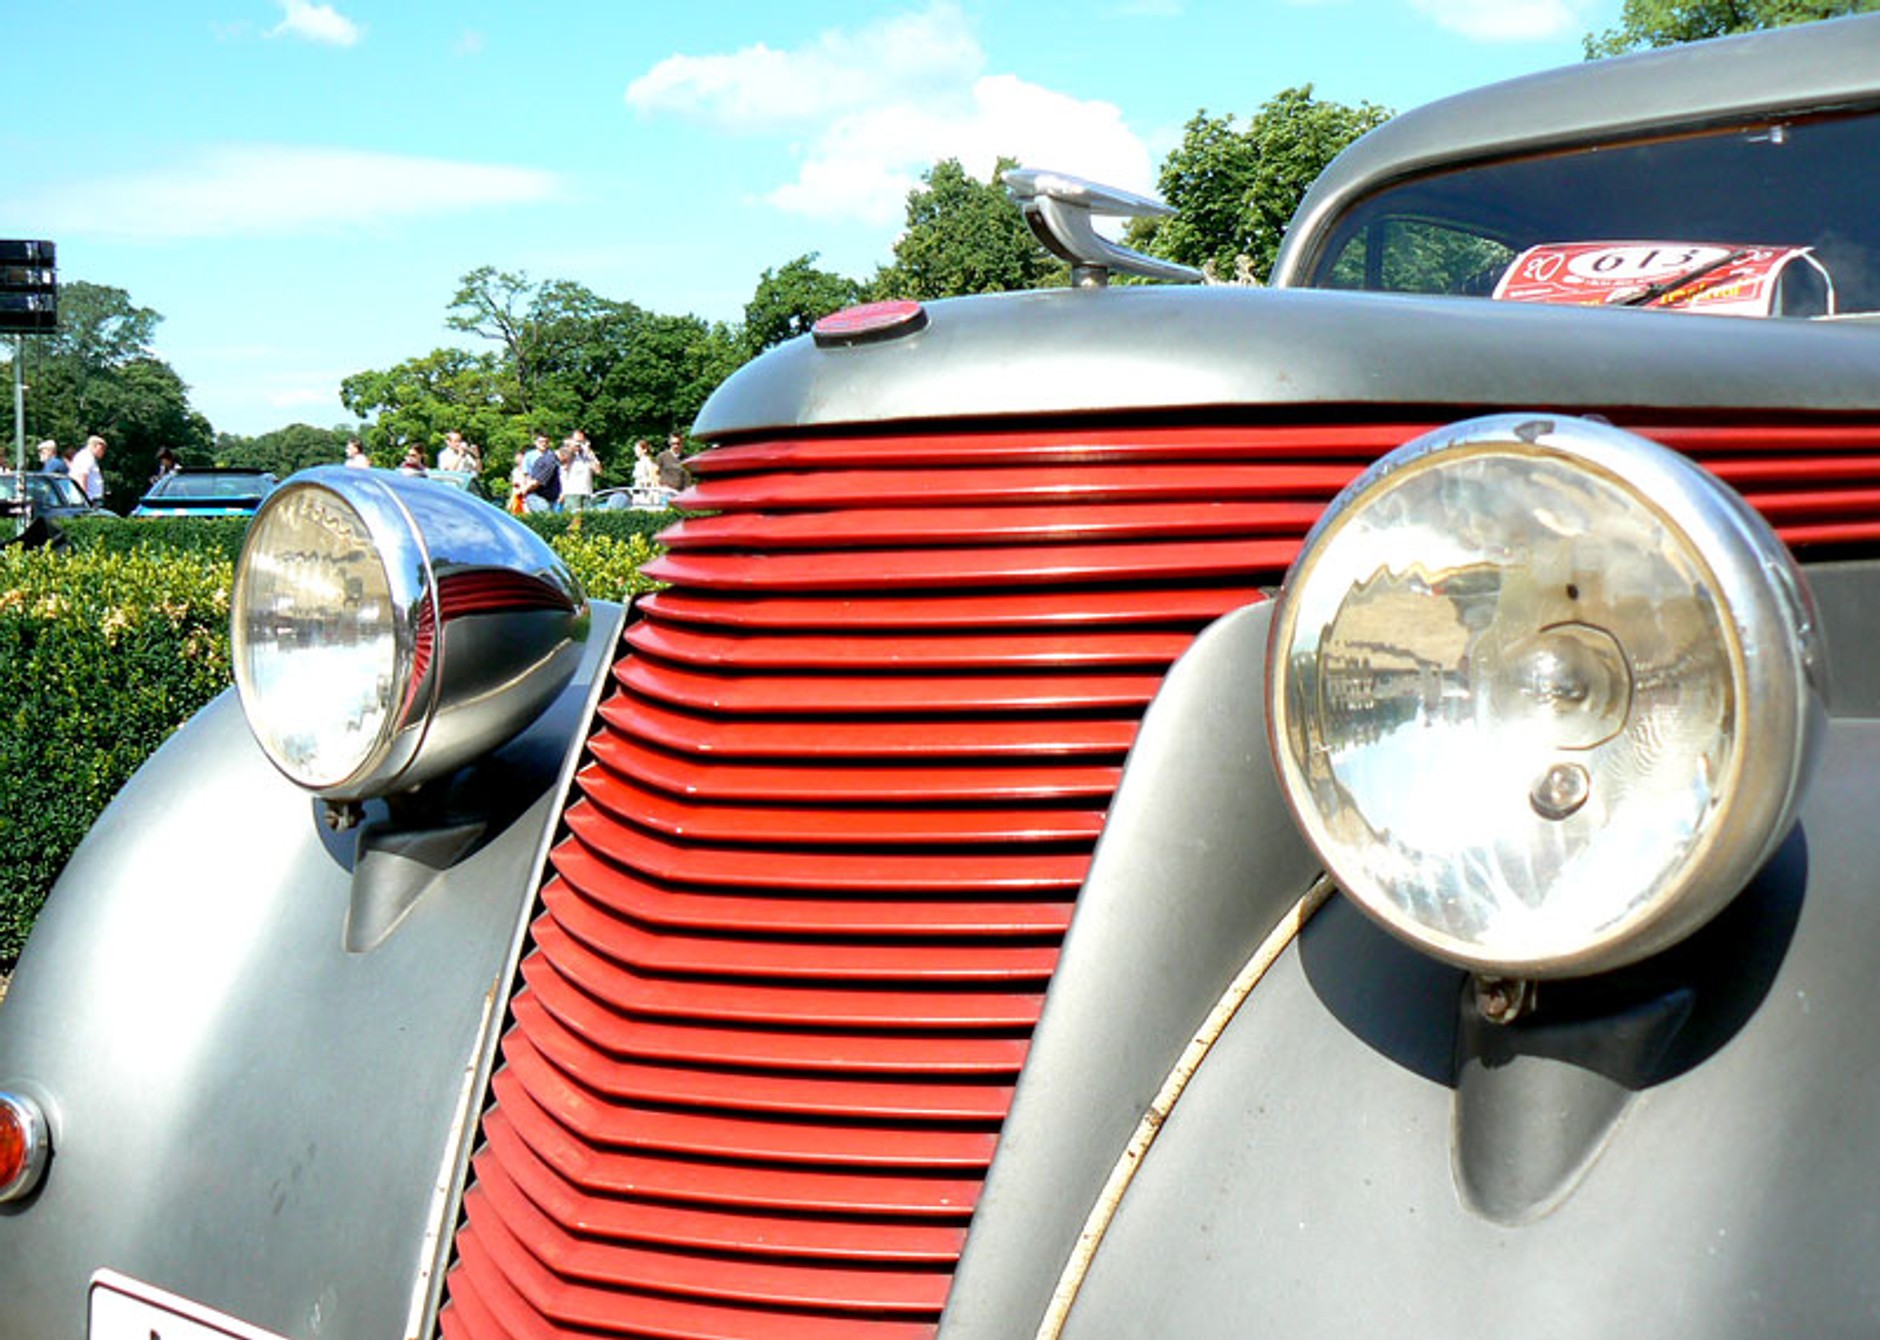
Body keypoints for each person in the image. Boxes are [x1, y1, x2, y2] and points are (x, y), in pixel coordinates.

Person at [561, 432, 599, 512]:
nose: (579, 444)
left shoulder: (587, 454)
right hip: (572, 493)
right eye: (577, 441)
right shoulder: (565, 452)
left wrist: (589, 452)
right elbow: (564, 463)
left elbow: (598, 470)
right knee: (574, 521)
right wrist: (572, 448)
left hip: (587, 492)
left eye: (582, 441)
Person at [523, 440, 565, 512]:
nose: (544, 444)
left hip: (550, 497)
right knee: (545, 519)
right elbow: (536, 480)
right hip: (538, 497)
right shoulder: (550, 461)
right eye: (541, 442)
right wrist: (525, 490)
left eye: (546, 442)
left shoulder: (549, 458)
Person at [68, 435, 107, 503]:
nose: (103, 452)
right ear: (96, 446)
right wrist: (84, 498)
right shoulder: (86, 457)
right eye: (102, 449)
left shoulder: (86, 456)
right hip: (89, 499)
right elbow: (83, 476)